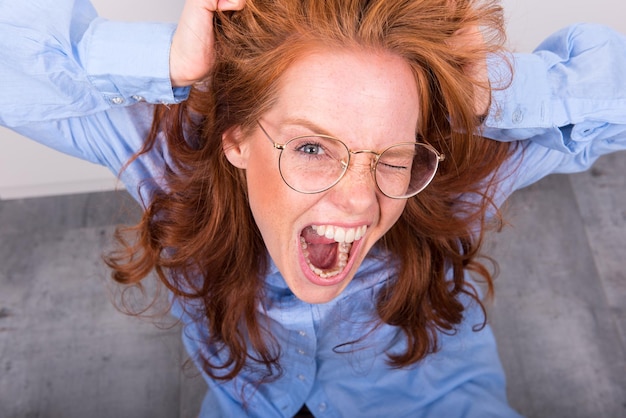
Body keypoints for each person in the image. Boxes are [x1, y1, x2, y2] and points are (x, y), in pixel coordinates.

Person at [1, 0, 625, 416]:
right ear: (237, 137)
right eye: (311, 147)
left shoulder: (451, 169)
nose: (359, 200)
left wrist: (492, 95)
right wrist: (167, 62)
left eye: (392, 154)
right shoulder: (167, 160)